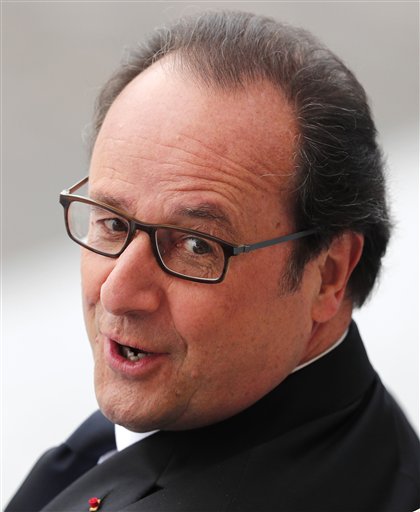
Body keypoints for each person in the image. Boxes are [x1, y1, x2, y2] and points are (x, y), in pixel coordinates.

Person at [6, 10, 419, 512]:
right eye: (112, 223)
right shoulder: (357, 421)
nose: (117, 292)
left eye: (196, 245)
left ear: (329, 274)